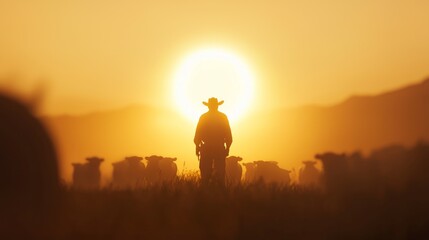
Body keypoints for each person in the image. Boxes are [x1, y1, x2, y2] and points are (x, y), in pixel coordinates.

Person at [194, 97, 232, 185]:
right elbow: (228, 134)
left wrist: (197, 146)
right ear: (217, 106)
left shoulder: (203, 117)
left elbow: (198, 134)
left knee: (205, 170)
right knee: (220, 170)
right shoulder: (223, 117)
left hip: (206, 147)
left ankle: (205, 189)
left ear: (208, 106)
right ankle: (220, 190)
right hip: (219, 147)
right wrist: (227, 148)